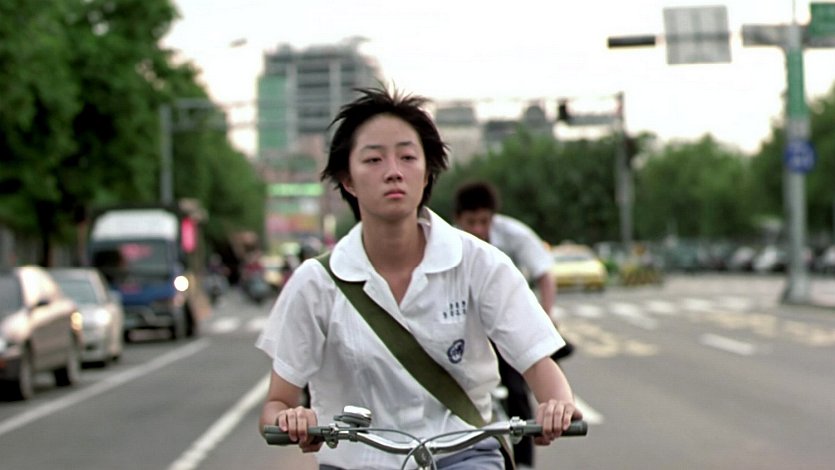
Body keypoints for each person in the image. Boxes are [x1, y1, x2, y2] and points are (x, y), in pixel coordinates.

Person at [256, 87, 581, 469]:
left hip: (464, 453)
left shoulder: (480, 263)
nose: (393, 171)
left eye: (408, 157)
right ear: (347, 179)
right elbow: (277, 402)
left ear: (427, 173)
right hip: (357, 462)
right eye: (373, 159)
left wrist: (558, 405)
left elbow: (540, 366)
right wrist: (292, 419)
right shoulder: (315, 283)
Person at [453, 180, 574, 469]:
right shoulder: (443, 244)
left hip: (505, 323)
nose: (479, 229)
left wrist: (546, 317)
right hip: (464, 329)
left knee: (518, 390)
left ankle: (523, 462)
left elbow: (545, 274)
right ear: (457, 219)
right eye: (471, 222)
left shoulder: (514, 235)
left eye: (484, 221)